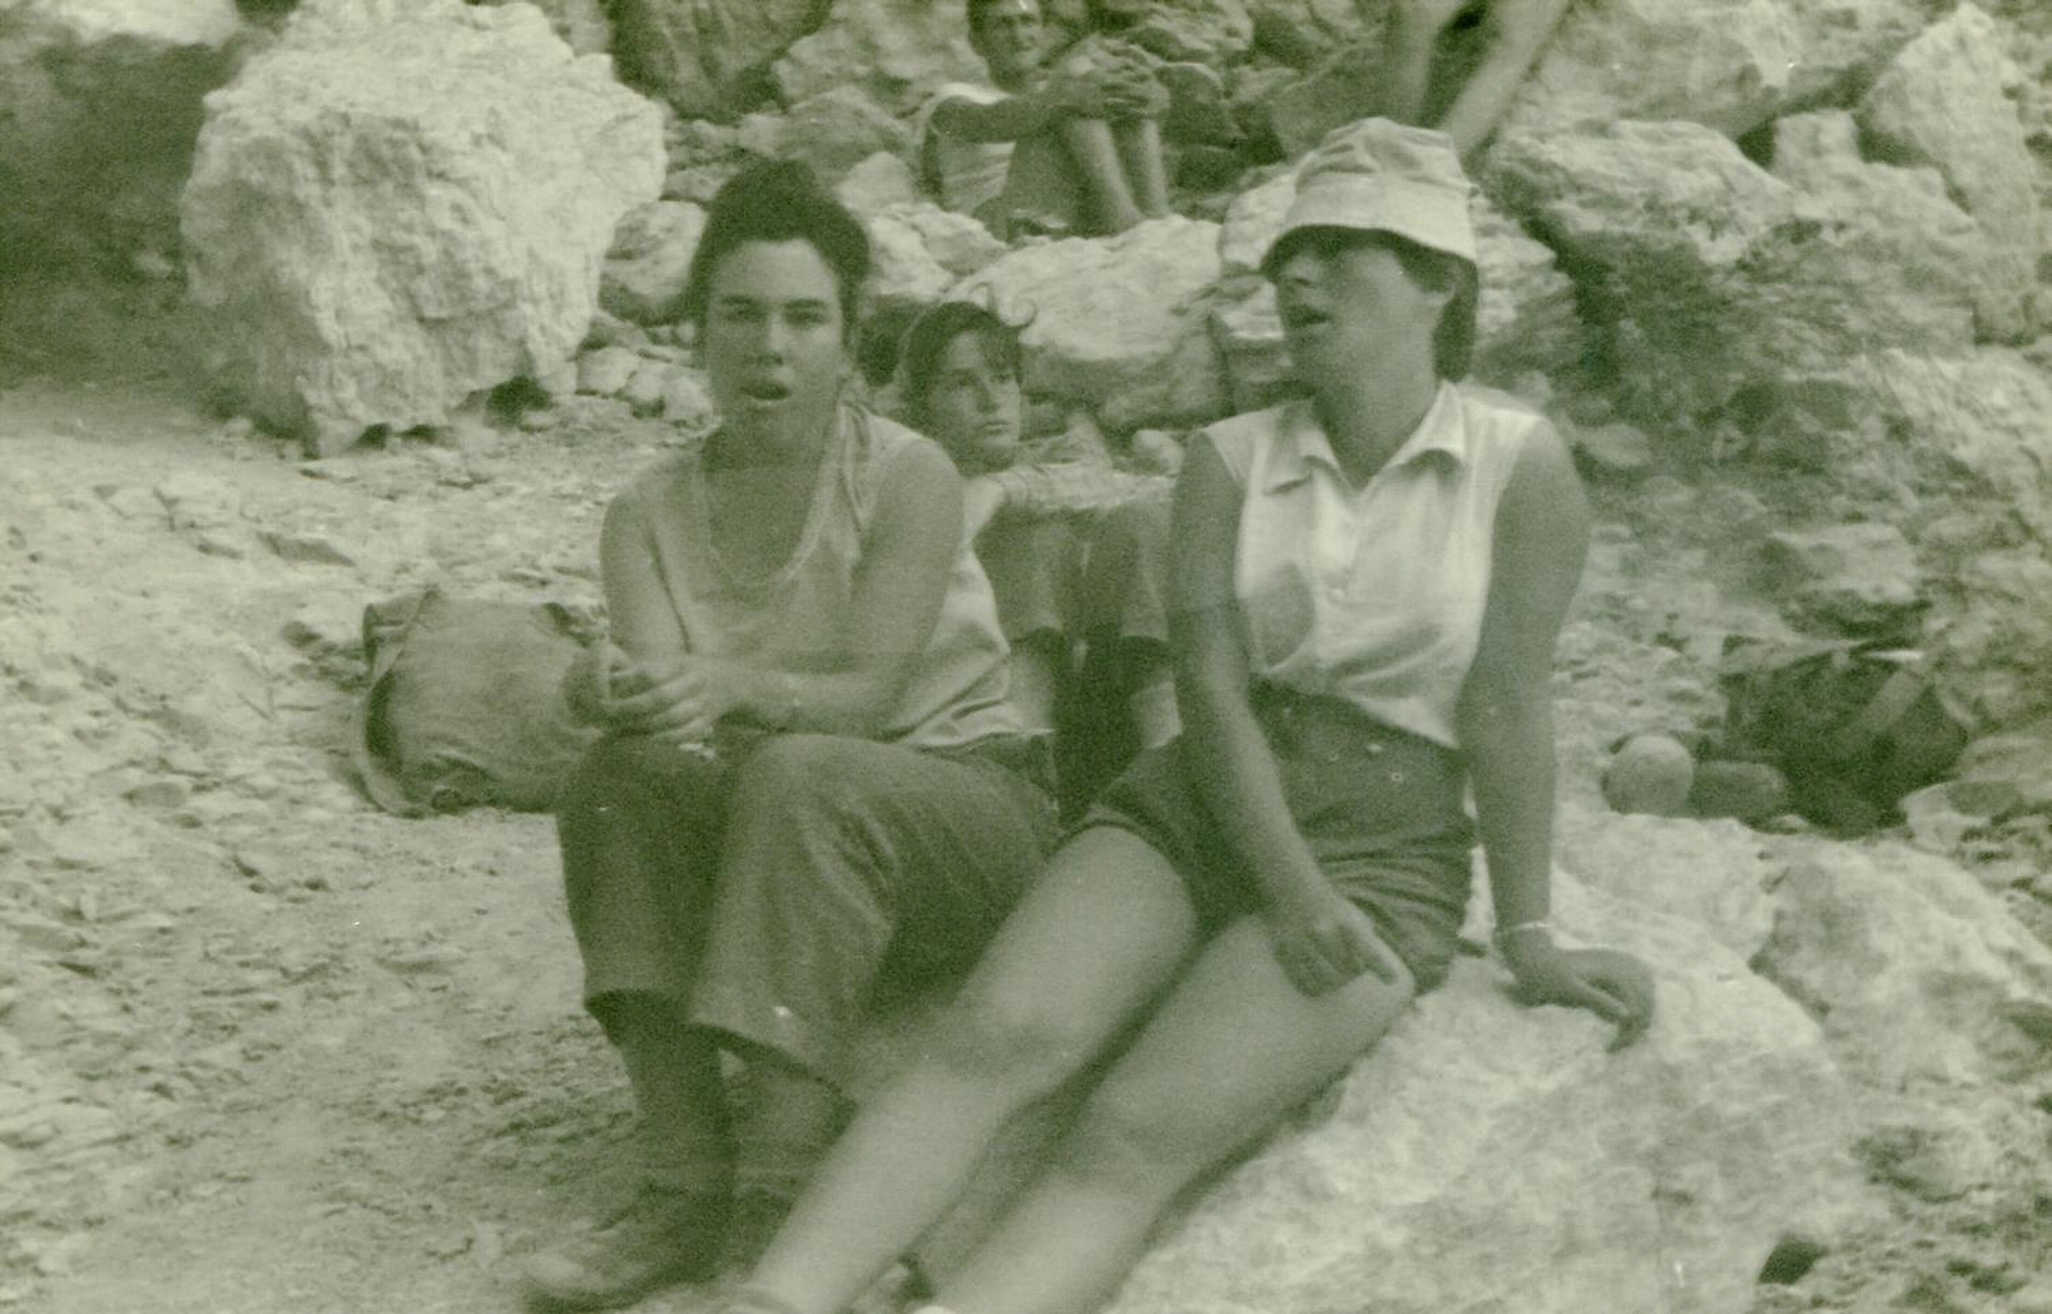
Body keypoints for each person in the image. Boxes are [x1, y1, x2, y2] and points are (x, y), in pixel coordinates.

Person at [712, 118, 1656, 1314]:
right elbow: (1208, 692)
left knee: (1134, 1135)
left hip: (1385, 852)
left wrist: (1530, 935)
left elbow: (1509, 704)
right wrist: (1289, 885)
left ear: (1439, 284)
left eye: (1344, 251)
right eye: (1291, 256)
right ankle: (773, 1301)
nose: (1300, 280)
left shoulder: (1520, 466)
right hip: (1199, 800)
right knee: (991, 1038)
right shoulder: (1230, 459)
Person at [520, 159, 1061, 1311]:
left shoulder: (909, 474)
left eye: (806, 318)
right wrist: (615, 689)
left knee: (806, 771)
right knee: (623, 776)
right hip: (789, 829)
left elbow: (867, 696)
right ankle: (682, 1181)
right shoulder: (646, 512)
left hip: (962, 806)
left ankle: (781, 1197)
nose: (771, 347)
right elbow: (675, 718)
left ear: (850, 337)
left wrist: (721, 681)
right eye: (742, 314)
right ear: (699, 331)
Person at [893, 295, 1179, 815]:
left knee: (1141, 524)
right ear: (923, 406)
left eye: (1003, 379)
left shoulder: (1058, 457)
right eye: (962, 383)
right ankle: (1027, 781)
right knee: (1031, 539)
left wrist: (1003, 488)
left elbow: (1142, 491)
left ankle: (1173, 766)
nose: (991, 400)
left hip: (1099, 697)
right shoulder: (909, 484)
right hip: (972, 722)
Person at [916, 0, 1170, 239]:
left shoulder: (1057, 90)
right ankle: (1125, 222)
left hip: (1068, 209)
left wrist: (1146, 94)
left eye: (1028, 22)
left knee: (1119, 89)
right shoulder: (952, 98)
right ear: (977, 43)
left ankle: (1158, 219)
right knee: (1076, 86)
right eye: (1003, 25)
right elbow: (987, 122)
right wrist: (1064, 94)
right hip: (1001, 227)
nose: (1019, 36)